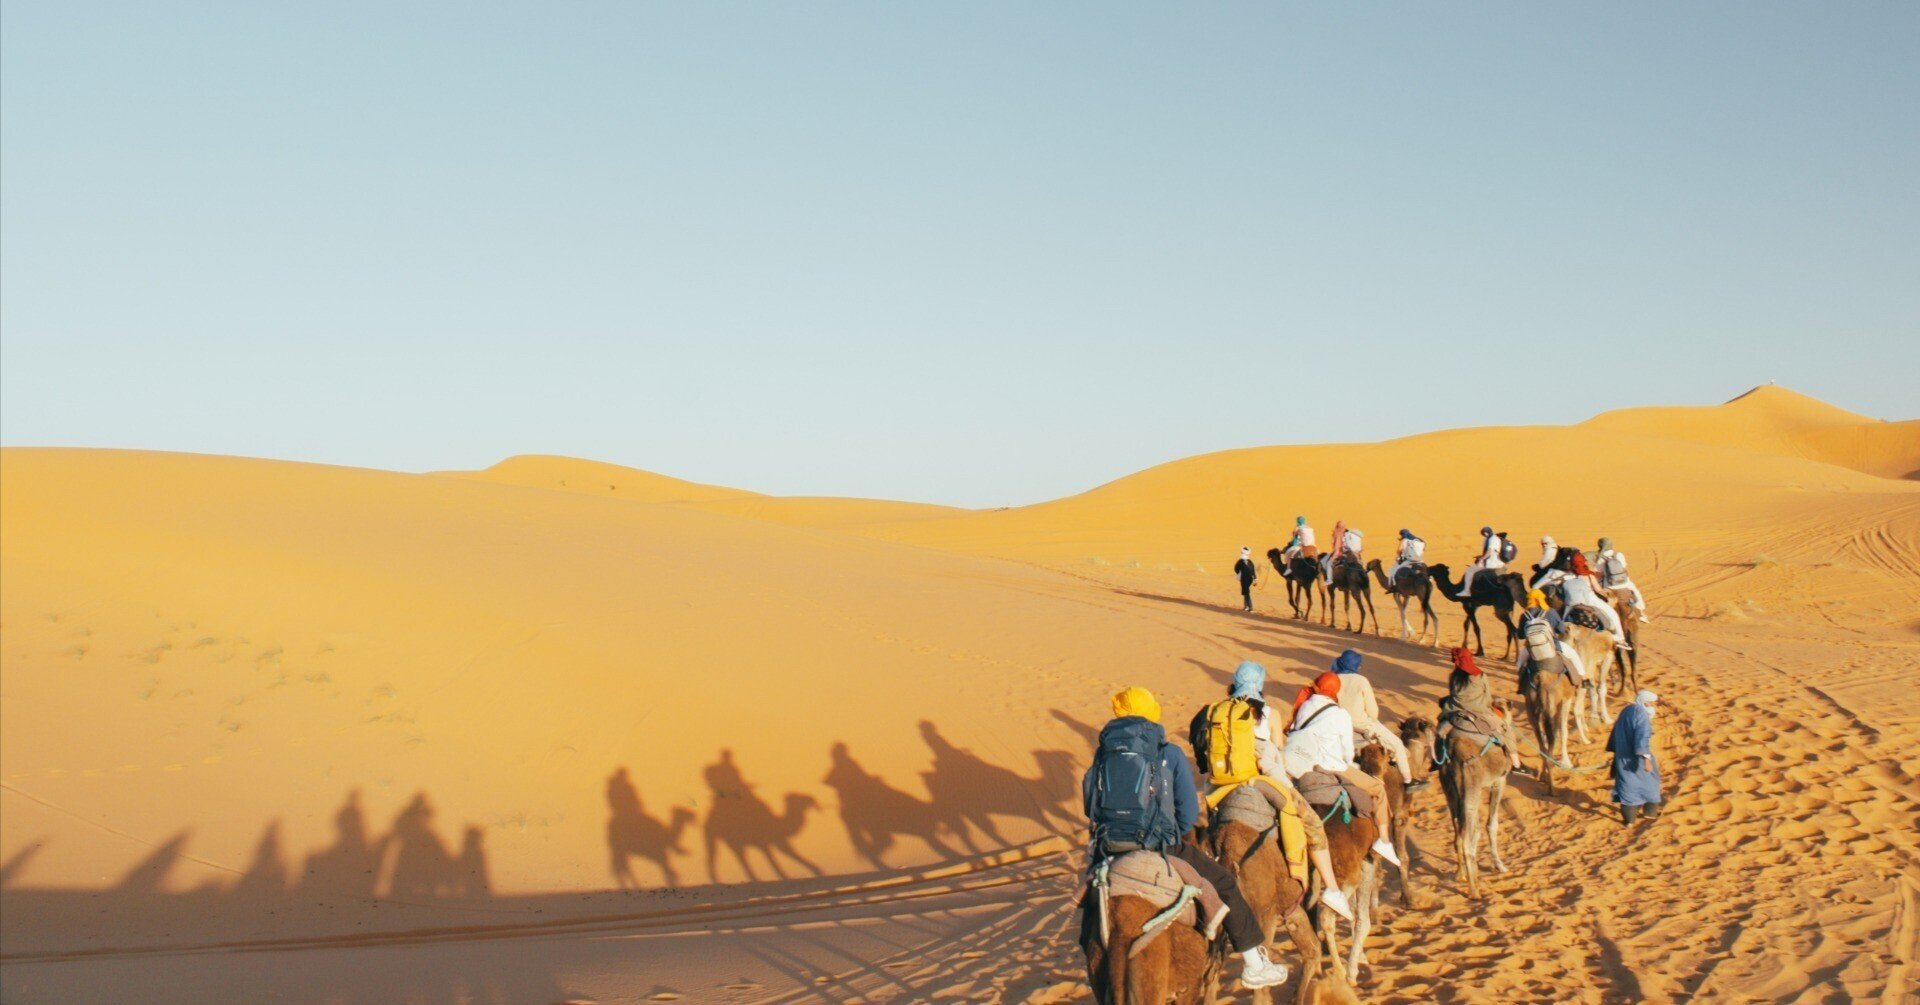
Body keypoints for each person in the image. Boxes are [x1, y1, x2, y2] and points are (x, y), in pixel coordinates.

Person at [1082, 687, 1292, 989]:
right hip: (1163, 845)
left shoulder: (1103, 753)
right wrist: (1173, 833)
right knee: (1223, 883)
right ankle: (1254, 962)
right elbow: (1188, 812)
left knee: (1089, 903)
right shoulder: (1168, 752)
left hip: (1110, 847)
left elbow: (1090, 802)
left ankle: (1091, 964)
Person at [1190, 662, 1354, 921]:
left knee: (1211, 828)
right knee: (1311, 824)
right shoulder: (1269, 713)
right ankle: (1332, 889)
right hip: (1262, 780)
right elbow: (1278, 753)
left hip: (1219, 785)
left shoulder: (1217, 712)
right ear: (1260, 685)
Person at [1280, 672, 1402, 868]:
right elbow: (1346, 751)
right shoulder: (1340, 713)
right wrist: (1350, 763)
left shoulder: (1305, 704)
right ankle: (1384, 841)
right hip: (1328, 765)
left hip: (1295, 765)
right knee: (1378, 789)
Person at [1435, 648, 1525, 772]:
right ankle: (1516, 764)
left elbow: (1452, 694)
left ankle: (1437, 760)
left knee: (1440, 730)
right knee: (1506, 729)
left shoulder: (1453, 677)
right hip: (1481, 712)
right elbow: (1487, 697)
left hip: (1455, 711)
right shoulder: (1480, 675)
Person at [1329, 650, 1412, 779]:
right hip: (1363, 726)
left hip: (1338, 726)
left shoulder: (1333, 679)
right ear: (1356, 666)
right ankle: (1408, 781)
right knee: (1398, 745)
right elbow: (1373, 713)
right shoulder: (1361, 681)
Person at [1607, 690, 1663, 824]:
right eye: (1650, 703)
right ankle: (1650, 813)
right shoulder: (1642, 715)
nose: (1652, 706)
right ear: (1644, 702)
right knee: (1651, 783)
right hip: (1637, 759)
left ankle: (1629, 821)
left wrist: (1615, 752)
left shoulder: (1627, 710)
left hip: (1622, 757)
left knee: (1626, 786)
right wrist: (1647, 759)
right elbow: (1642, 739)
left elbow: (1615, 731)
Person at [1563, 552, 1632, 650]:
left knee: (1562, 618)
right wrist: (1607, 595)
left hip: (1572, 602)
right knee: (1613, 615)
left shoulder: (1568, 574)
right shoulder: (1588, 574)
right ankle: (1620, 639)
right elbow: (1598, 589)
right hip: (1590, 600)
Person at [1595, 538, 1651, 623]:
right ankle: (1641, 612)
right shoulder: (1619, 555)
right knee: (1635, 591)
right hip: (1624, 583)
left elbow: (1598, 576)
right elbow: (1624, 569)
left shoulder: (1600, 559)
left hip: (1609, 586)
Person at [1455, 526, 1505, 598]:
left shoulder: (1492, 539)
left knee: (1470, 571)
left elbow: (1489, 551)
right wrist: (1481, 556)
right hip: (1496, 561)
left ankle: (1467, 591)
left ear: (1485, 533)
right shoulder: (1494, 538)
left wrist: (1481, 559)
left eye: (1483, 534)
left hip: (1492, 563)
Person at [1233, 546, 1259, 612]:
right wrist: (1255, 579)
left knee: (1246, 593)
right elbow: (1253, 571)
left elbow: (1236, 568)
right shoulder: (1250, 562)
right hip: (1250, 579)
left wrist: (1239, 573)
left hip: (1244, 579)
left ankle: (1250, 607)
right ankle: (1246, 606)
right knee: (1245, 592)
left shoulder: (1240, 561)